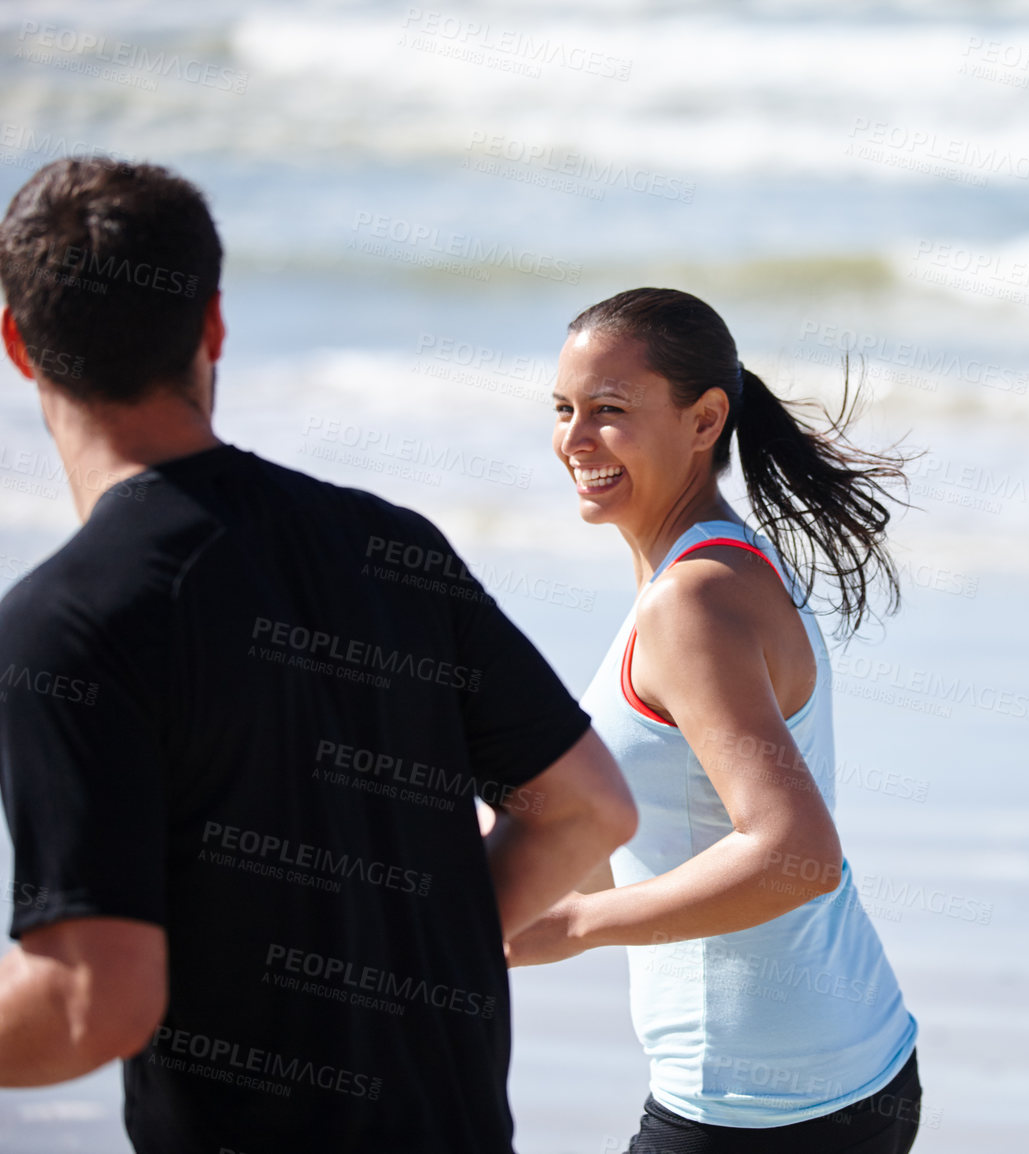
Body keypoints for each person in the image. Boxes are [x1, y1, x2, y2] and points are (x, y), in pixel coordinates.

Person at [0, 157, 637, 1154]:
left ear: (16, 344)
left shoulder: (64, 623)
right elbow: (590, 807)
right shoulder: (390, 542)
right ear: (212, 325)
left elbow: (93, 1003)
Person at [507, 288, 923, 1152]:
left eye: (609, 412)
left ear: (705, 422)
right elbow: (657, 823)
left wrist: (576, 928)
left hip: (760, 1110)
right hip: (848, 1070)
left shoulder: (693, 599)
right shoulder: (717, 565)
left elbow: (793, 854)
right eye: (563, 410)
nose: (575, 440)